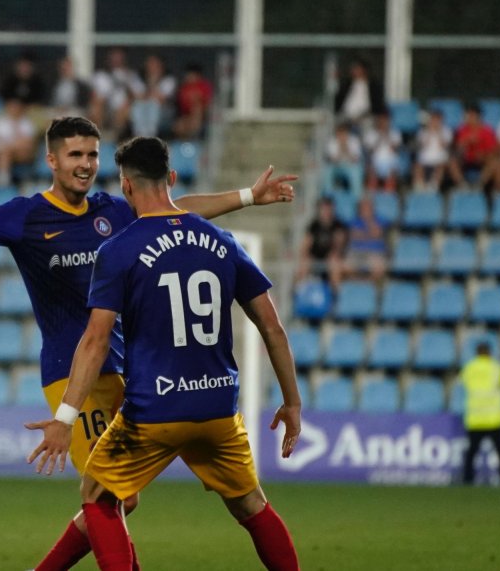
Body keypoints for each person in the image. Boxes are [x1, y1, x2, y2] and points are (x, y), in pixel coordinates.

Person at [0, 116, 296, 571]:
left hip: (121, 369)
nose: (85, 164)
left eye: (92, 155)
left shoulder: (115, 211)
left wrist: (246, 197)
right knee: (106, 495)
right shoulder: (25, 216)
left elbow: (177, 209)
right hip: (71, 370)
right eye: (75, 155)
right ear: (52, 160)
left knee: (118, 498)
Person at [26, 136, 302, 571]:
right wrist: (292, 402)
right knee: (252, 505)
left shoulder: (117, 249)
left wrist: (64, 418)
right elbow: (273, 328)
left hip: (154, 410)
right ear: (171, 178)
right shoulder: (223, 241)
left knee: (97, 495)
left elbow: (96, 342)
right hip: (217, 409)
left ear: (126, 187)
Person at [459, 342, 500, 486]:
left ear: (477, 352)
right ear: (489, 352)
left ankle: (467, 479)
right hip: (493, 418)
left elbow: (465, 384)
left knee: (471, 452)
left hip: (475, 418)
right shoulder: (497, 368)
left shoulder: (469, 368)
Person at [295, 196, 346, 291]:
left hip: (331, 257)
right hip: (316, 257)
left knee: (334, 261)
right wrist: (304, 255)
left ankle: (335, 293)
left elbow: (339, 245)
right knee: (305, 261)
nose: (326, 211)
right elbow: (306, 245)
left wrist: (334, 253)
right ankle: (299, 291)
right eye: (323, 209)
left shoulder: (338, 225)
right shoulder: (314, 225)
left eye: (328, 208)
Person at [333, 58, 385, 127]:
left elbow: (376, 105)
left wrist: (362, 116)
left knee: (368, 124)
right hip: (346, 115)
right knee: (336, 121)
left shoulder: (373, 86)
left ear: (364, 70)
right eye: (353, 69)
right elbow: (338, 100)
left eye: (357, 69)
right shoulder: (347, 84)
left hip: (366, 117)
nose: (354, 71)